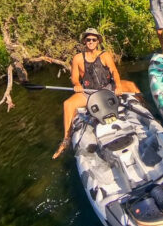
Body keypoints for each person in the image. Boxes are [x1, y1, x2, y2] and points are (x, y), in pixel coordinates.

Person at [52, 28, 140, 159]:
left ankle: (145, 111)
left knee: (132, 86)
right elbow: (75, 78)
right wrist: (76, 85)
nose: (91, 42)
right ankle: (66, 139)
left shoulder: (105, 55)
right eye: (88, 39)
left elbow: (114, 72)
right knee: (68, 104)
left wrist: (118, 85)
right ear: (84, 41)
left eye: (94, 39)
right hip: (89, 93)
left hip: (108, 88)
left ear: (98, 41)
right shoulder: (77, 58)